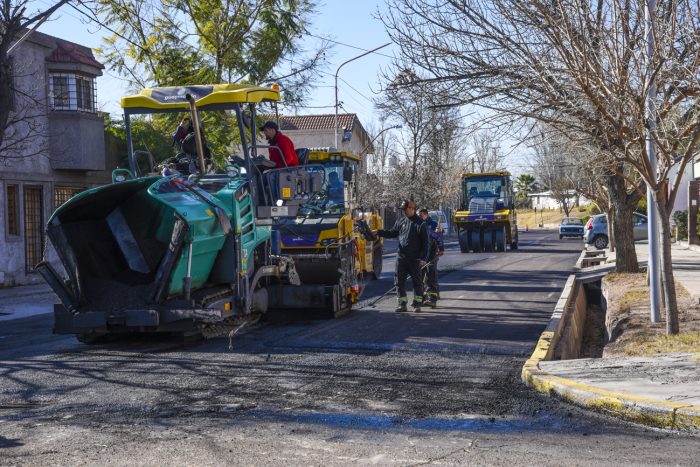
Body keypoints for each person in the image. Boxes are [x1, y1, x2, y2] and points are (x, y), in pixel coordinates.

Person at [377, 199, 431, 312]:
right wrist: (378, 232)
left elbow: (426, 243)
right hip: (401, 257)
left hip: (415, 259)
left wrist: (423, 259)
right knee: (398, 280)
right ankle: (402, 304)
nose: (403, 212)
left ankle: (417, 304)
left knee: (417, 281)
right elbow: (392, 233)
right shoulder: (401, 221)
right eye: (402, 210)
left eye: (405, 209)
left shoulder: (420, 224)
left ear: (412, 209)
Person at [419, 208, 445, 306]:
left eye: (421, 215)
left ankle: (432, 299)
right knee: (420, 277)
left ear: (426, 214)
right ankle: (420, 298)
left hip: (431, 252)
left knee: (431, 275)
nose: (420, 217)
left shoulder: (433, 224)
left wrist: (441, 248)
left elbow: (439, 237)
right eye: (419, 215)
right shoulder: (418, 224)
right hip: (420, 254)